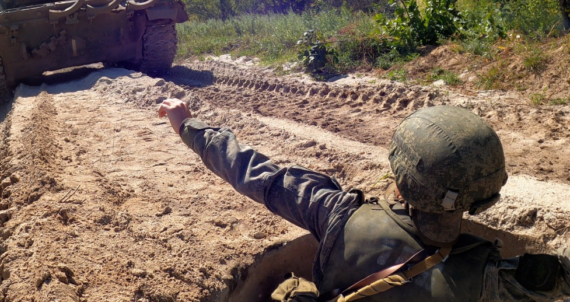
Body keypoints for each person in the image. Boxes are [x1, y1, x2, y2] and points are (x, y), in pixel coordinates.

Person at [158, 98, 570, 302]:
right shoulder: (495, 278)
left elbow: (253, 172)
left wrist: (187, 125)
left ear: (401, 172)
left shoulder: (336, 212)